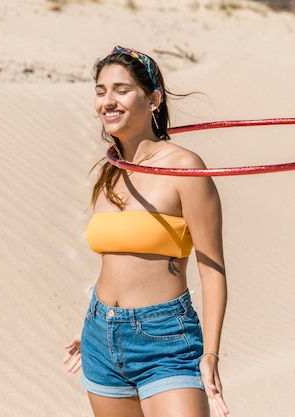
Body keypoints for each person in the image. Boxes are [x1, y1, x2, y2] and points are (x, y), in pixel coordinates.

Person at [63, 45, 229, 417]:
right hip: (100, 336)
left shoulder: (185, 168)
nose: (108, 100)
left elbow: (213, 268)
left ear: (153, 99)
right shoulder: (111, 172)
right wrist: (101, 327)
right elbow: (117, 258)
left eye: (121, 90)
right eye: (101, 90)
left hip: (165, 340)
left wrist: (210, 353)